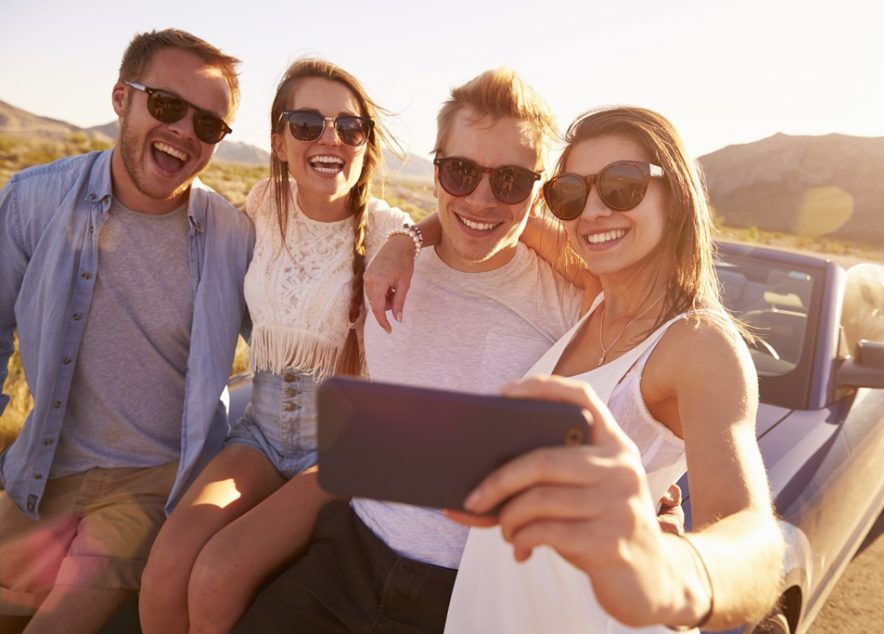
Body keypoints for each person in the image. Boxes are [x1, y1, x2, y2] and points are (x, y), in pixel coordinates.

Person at [232, 66, 590, 633]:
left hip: (471, 590)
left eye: (510, 182)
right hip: (352, 548)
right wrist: (409, 239)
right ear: (437, 169)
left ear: (539, 189)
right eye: (461, 171)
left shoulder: (572, 303)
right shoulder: (392, 264)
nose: (480, 198)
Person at [444, 106, 784, 631]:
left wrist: (665, 569)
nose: (593, 211)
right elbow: (486, 216)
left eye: (622, 186)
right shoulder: (595, 296)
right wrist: (406, 241)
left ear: (675, 195)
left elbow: (757, 541)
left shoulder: (698, 343)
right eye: (571, 193)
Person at [138, 58, 421, 634]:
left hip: (342, 448)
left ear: (365, 144)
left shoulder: (393, 231)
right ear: (279, 140)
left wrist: (419, 237)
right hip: (263, 430)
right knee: (167, 564)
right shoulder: (265, 205)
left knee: (218, 574)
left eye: (349, 127)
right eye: (307, 123)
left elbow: (468, 238)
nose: (329, 139)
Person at [0, 29, 252, 634]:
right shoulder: (33, 200)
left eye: (209, 126)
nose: (185, 133)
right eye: (167, 106)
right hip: (42, 468)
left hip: (154, 484)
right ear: (122, 98)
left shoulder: (232, 236)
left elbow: (296, 337)